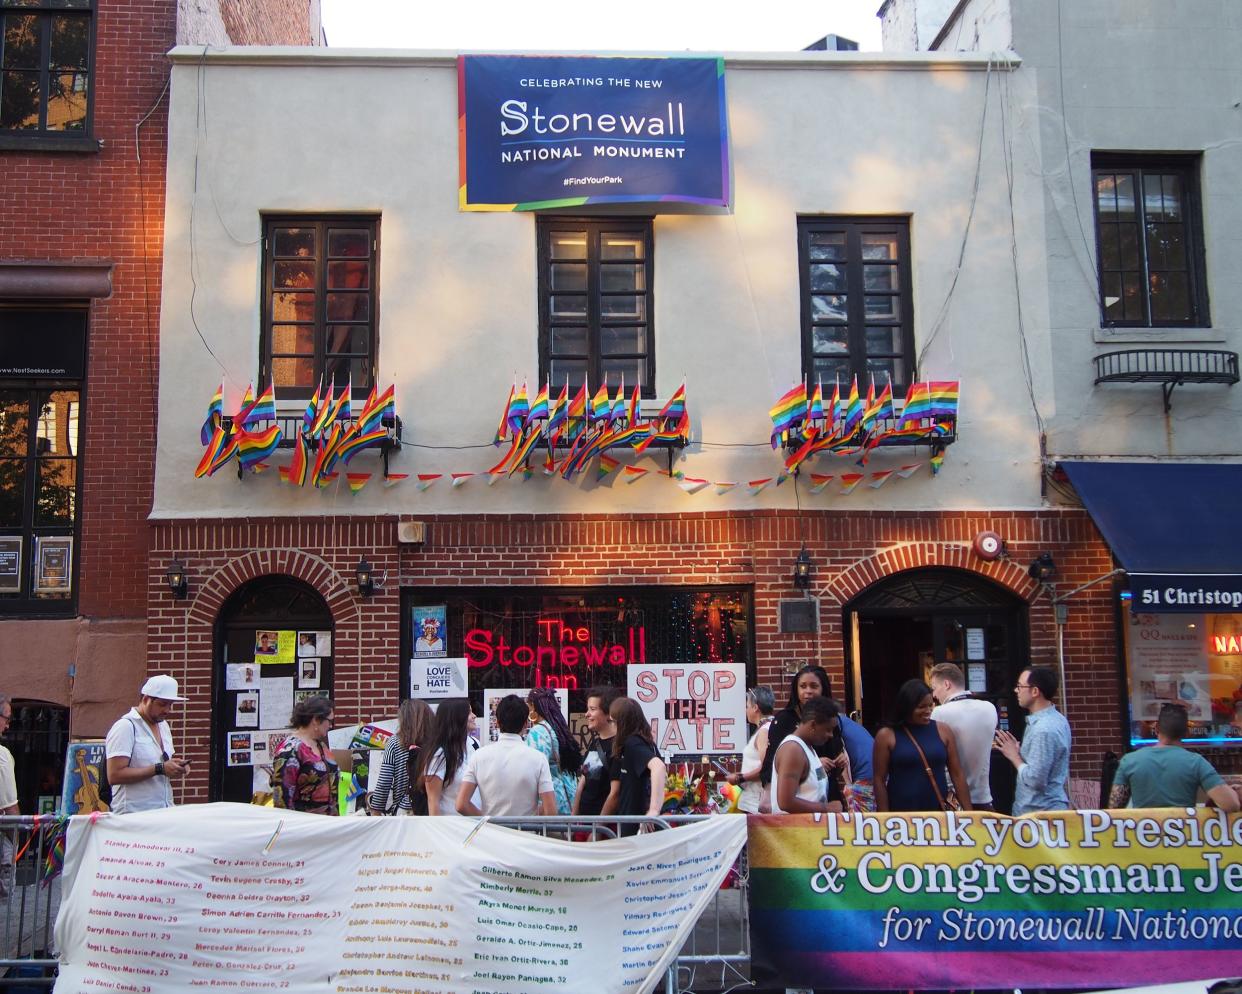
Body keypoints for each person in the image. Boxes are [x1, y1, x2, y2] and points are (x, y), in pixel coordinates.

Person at [1108, 703, 1239, 811]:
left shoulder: (1129, 760)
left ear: (1157, 728)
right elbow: (1231, 805)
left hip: (1144, 838)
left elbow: (1114, 809)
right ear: (1187, 733)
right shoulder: (1196, 762)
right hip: (1183, 837)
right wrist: (1230, 792)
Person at [873, 679, 972, 813]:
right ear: (907, 707)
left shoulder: (943, 730)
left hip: (938, 811)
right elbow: (879, 779)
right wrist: (883, 817)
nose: (928, 710)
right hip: (901, 814)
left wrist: (969, 814)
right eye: (921, 707)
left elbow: (957, 774)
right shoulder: (886, 735)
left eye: (931, 705)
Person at [456, 695, 555, 817]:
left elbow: (461, 804)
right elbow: (550, 810)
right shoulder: (538, 759)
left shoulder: (478, 757)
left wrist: (488, 822)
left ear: (497, 723)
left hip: (491, 833)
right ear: (526, 724)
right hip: (526, 833)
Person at [104, 675, 190, 814]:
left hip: (164, 810)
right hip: (133, 814)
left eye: (170, 704)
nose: (167, 710)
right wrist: (159, 769)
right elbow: (114, 775)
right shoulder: (125, 727)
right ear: (145, 699)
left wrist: (176, 767)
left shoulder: (163, 726)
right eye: (162, 704)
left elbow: (163, 764)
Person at [993, 666, 1071, 815]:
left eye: (1020, 686)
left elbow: (1036, 779)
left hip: (1040, 816)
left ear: (1035, 691)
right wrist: (1020, 753)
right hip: (1041, 813)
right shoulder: (1056, 719)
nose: (1016, 690)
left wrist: (1014, 756)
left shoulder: (1044, 729)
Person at [929, 662, 998, 811]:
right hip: (983, 797)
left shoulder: (939, 713)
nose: (934, 695)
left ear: (946, 684)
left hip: (952, 800)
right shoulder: (989, 708)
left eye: (934, 688)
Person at [602, 696, 667, 835]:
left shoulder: (633, 744)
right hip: (639, 825)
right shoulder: (645, 742)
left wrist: (654, 810)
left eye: (612, 721)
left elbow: (659, 767)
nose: (611, 726)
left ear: (621, 723)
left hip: (637, 828)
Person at [772, 697, 843, 815]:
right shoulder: (793, 750)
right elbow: (785, 802)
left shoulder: (807, 748)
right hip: (793, 831)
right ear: (813, 725)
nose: (831, 735)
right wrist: (826, 808)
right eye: (828, 729)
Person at [271, 696, 338, 814]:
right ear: (316, 720)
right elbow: (281, 799)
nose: (331, 726)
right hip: (303, 825)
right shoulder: (290, 750)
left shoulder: (320, 745)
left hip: (327, 824)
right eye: (330, 721)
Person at [368, 699, 434, 816]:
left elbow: (384, 781)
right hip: (431, 808)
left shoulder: (395, 742)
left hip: (405, 811)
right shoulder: (434, 744)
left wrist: (375, 810)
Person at [525, 688, 582, 815]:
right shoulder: (558, 728)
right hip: (569, 797)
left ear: (533, 707)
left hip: (550, 801)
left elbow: (534, 769)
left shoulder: (538, 732)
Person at [420, 699, 478, 815]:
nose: (474, 716)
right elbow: (433, 801)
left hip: (476, 825)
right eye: (469, 712)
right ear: (456, 717)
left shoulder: (475, 744)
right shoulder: (439, 755)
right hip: (451, 827)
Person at [726, 686, 775, 813]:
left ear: (755, 708)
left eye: (747, 706)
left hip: (755, 805)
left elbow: (767, 768)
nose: (745, 710)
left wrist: (740, 778)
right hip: (754, 803)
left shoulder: (765, 731)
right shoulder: (770, 727)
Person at [574, 685, 620, 817]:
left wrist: (598, 828)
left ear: (609, 714)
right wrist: (573, 818)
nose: (587, 714)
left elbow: (615, 793)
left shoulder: (619, 746)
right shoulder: (595, 743)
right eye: (588, 709)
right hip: (584, 823)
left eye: (593, 709)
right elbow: (582, 782)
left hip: (603, 827)